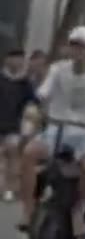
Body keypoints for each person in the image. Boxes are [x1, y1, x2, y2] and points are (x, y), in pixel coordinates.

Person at [20, 27, 85, 236]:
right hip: (56, 131)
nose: (78, 51)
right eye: (74, 45)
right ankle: (27, 210)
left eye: (82, 46)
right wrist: (37, 112)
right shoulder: (57, 69)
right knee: (29, 153)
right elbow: (43, 95)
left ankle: (79, 207)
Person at [0, 49, 35, 202]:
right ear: (7, 60)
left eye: (20, 59)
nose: (17, 62)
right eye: (14, 58)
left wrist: (29, 125)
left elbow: (33, 103)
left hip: (13, 126)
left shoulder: (25, 82)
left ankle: (9, 189)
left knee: (13, 155)